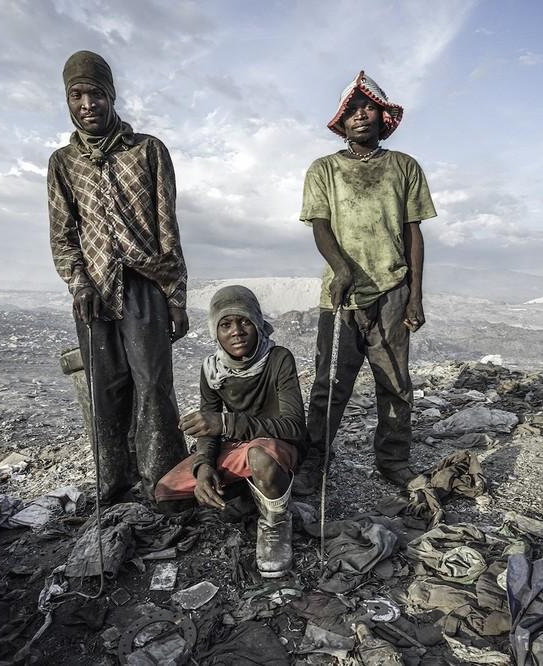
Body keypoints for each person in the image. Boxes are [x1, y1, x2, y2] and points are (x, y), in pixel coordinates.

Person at [48, 50, 188, 501]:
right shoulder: (63, 162)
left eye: (95, 93)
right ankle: (114, 482)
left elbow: (168, 226)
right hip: (93, 293)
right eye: (77, 95)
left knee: (153, 386)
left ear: (111, 96)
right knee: (105, 390)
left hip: (145, 283)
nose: (87, 103)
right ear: (68, 101)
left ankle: (163, 482)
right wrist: (78, 281)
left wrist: (176, 295)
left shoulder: (148, 150)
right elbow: (62, 232)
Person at [294, 70, 437, 496]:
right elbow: (320, 225)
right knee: (330, 384)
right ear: (341, 121)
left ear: (382, 116)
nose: (360, 116)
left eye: (367, 108)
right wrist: (341, 269)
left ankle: (393, 460)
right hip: (341, 294)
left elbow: (414, 232)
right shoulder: (324, 170)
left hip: (392, 290)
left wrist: (415, 294)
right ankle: (316, 458)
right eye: (351, 110)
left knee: (394, 381)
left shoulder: (404, 167)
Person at [155, 286, 305, 578]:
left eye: (244, 321)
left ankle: (276, 521)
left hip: (274, 447)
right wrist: (203, 468)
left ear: (258, 324)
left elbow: (295, 426)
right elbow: (208, 434)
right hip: (236, 449)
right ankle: (249, 494)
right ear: (216, 332)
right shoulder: (211, 370)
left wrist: (225, 423)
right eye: (226, 324)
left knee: (261, 457)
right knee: (166, 495)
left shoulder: (278, 359)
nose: (236, 331)